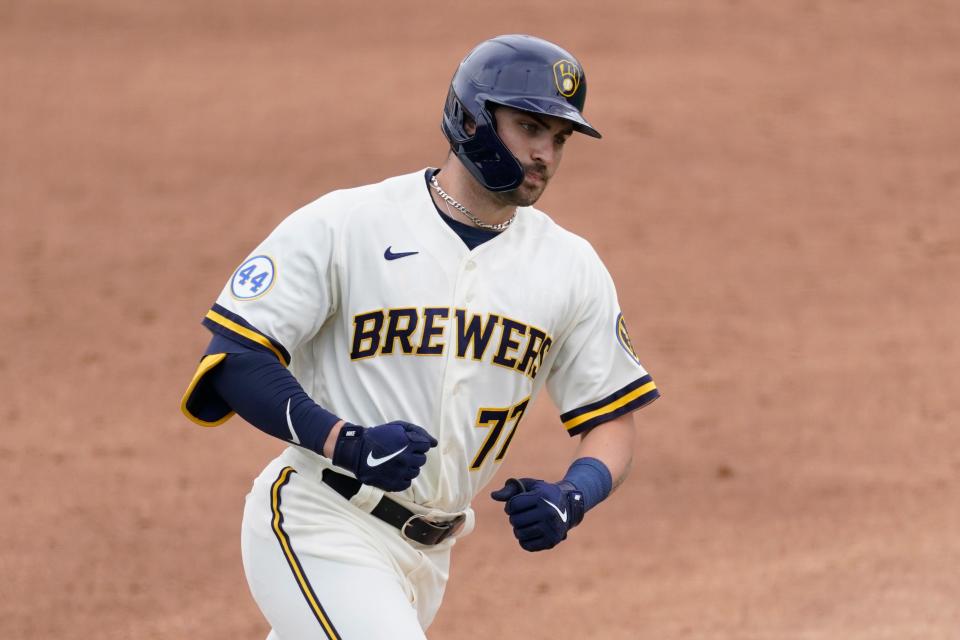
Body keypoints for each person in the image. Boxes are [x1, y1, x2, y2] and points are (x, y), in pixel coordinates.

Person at [181, 33, 659, 640]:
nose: (546, 153)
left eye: (559, 138)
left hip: (428, 559)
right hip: (320, 520)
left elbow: (612, 419)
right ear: (472, 118)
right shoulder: (348, 223)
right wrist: (344, 442)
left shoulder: (570, 266)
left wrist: (574, 493)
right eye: (529, 127)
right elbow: (233, 358)